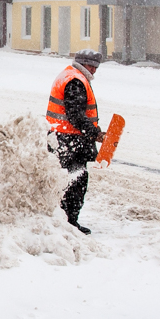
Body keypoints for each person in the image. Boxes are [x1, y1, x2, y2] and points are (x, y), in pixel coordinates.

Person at [46, 49, 105, 235]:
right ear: (83, 63)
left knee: (68, 181)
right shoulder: (75, 81)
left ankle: (66, 220)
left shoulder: (71, 75)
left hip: (62, 139)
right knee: (75, 183)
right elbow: (75, 115)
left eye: (96, 67)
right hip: (69, 141)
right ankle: (69, 223)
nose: (94, 70)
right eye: (92, 66)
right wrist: (95, 133)